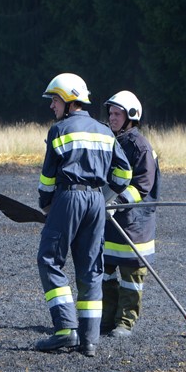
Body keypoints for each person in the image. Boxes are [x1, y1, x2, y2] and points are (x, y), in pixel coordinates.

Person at [35, 73, 132, 357]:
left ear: (68, 100)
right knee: (91, 270)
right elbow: (124, 173)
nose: (52, 106)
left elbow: (48, 177)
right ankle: (89, 341)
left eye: (54, 100)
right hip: (95, 203)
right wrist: (103, 197)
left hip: (68, 197)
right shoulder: (105, 131)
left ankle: (65, 330)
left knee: (49, 260)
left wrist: (46, 205)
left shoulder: (60, 130)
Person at [100, 90, 160, 338]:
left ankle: (125, 322)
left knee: (131, 276)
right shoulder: (109, 141)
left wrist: (118, 202)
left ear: (131, 117)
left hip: (134, 224)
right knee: (104, 272)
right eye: (111, 113)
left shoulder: (140, 147)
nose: (112, 118)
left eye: (117, 114)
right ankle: (106, 319)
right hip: (108, 222)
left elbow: (142, 186)